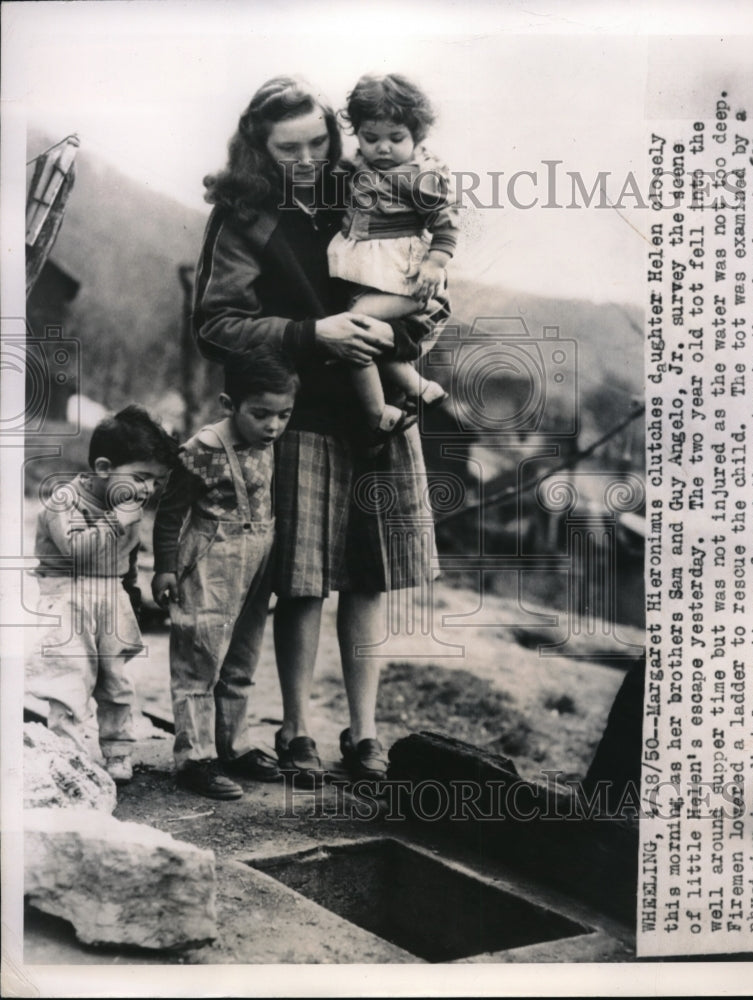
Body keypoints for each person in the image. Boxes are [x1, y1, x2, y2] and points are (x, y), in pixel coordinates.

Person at [193, 76, 441, 785]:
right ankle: (295, 728)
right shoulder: (243, 214)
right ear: (258, 146)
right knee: (302, 584)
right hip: (297, 413)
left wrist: (422, 309)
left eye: (317, 142)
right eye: (287, 148)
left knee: (373, 578)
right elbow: (216, 325)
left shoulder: (366, 185)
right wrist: (312, 332)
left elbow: (416, 268)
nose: (306, 159)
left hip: (383, 413)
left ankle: (365, 736)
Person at [151, 346, 299, 800]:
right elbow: (171, 511)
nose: (273, 425)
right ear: (229, 405)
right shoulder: (203, 449)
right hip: (211, 560)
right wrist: (165, 568)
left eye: (284, 415)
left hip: (256, 562)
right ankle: (195, 758)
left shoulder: (270, 444)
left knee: (241, 657)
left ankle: (233, 745)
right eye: (261, 414)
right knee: (200, 655)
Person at [27, 405, 176, 784]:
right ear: (104, 467)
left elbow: (128, 558)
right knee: (69, 678)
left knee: (115, 680)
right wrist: (114, 520)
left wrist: (131, 593)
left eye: (156, 482)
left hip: (109, 598)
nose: (148, 489)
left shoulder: (129, 506)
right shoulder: (65, 500)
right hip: (68, 599)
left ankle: (117, 750)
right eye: (142, 477)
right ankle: (68, 757)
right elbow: (76, 550)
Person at [327, 73, 456, 447]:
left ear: (416, 135)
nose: (383, 148)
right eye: (371, 138)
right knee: (360, 332)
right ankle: (421, 389)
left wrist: (435, 262)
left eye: (396, 139)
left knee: (353, 328)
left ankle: (377, 412)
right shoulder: (361, 166)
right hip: (375, 272)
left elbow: (446, 222)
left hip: (406, 277)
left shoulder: (421, 176)